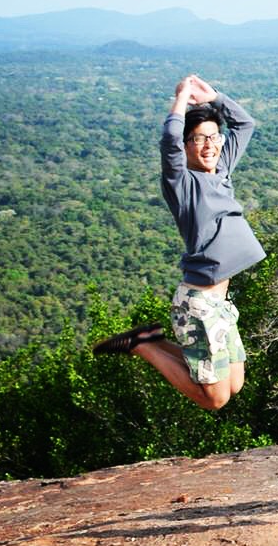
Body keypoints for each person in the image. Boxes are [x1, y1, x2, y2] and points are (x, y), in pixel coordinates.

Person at [92, 75, 266, 412]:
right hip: (198, 302)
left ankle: (149, 339)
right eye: (199, 139)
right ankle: (142, 347)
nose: (210, 145)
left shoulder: (221, 172)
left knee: (236, 383)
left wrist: (213, 97)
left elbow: (245, 123)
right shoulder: (181, 182)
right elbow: (169, 140)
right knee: (215, 399)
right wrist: (183, 98)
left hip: (220, 303)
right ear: (186, 146)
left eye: (214, 137)